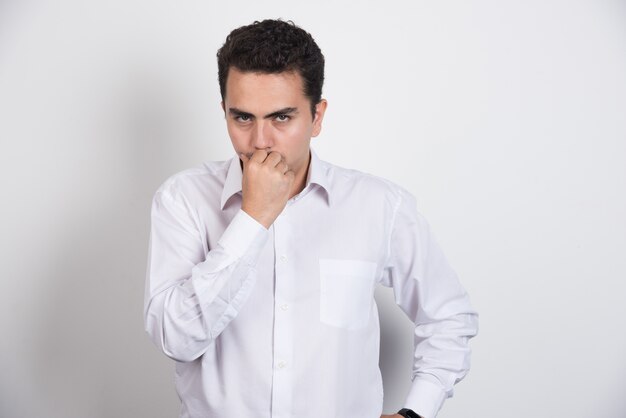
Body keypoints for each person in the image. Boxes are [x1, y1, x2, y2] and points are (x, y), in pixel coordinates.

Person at [144, 19, 478, 418]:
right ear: (224, 112)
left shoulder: (379, 205)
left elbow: (449, 316)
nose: (260, 141)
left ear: (317, 117)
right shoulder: (183, 200)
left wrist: (416, 411)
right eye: (243, 118)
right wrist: (253, 218)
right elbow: (177, 339)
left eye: (281, 117)